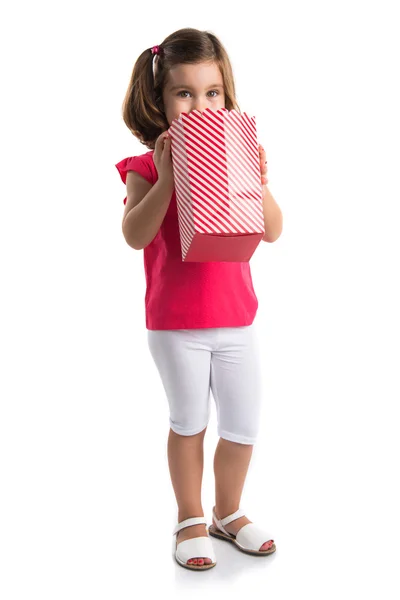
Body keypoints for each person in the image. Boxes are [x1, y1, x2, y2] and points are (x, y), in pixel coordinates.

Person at [115, 27, 283, 571]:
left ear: (226, 96)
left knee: (242, 424)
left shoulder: (237, 158)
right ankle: (189, 516)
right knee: (188, 422)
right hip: (175, 323)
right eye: (184, 93)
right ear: (159, 101)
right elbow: (134, 235)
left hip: (237, 318)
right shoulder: (143, 168)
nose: (201, 104)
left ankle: (227, 513)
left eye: (212, 93)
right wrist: (165, 178)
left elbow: (274, 231)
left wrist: (258, 183)